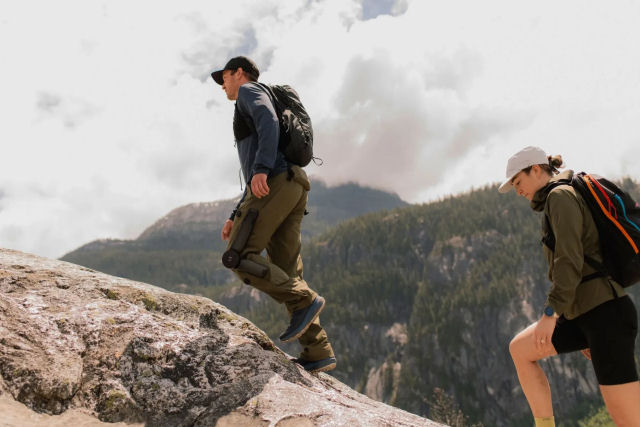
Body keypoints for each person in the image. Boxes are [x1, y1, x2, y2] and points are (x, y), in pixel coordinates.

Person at [210, 56, 336, 373]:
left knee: (237, 256)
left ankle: (305, 300)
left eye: (223, 77)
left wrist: (263, 168)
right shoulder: (260, 94)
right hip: (292, 185)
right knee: (286, 271)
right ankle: (317, 350)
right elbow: (255, 164)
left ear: (238, 73)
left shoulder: (249, 92)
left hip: (275, 181)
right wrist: (236, 212)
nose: (222, 84)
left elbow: (268, 122)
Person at [500, 146, 640, 427]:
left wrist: (550, 315)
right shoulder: (557, 198)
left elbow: (569, 262)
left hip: (607, 316)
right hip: (587, 315)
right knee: (521, 350)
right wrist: (575, 323)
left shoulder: (559, 196)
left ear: (536, 169)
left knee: (629, 422)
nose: (518, 191)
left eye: (518, 182)